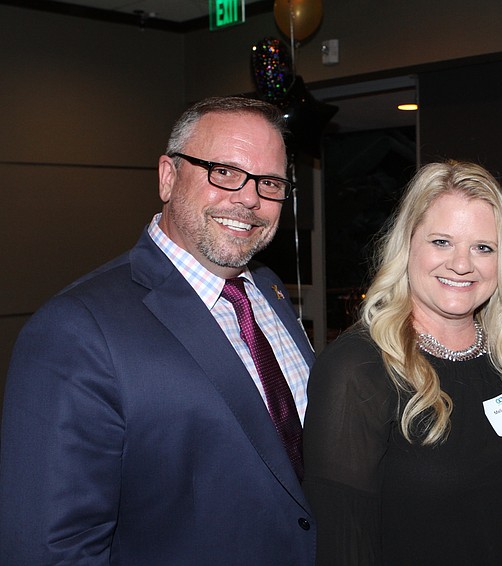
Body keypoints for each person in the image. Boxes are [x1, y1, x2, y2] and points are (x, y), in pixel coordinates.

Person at [0, 96, 316, 564]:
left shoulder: (267, 289)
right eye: (224, 171)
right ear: (168, 177)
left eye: (269, 182)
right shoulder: (76, 330)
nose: (249, 198)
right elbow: (50, 549)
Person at [302, 160, 502, 565]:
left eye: (483, 247)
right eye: (441, 242)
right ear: (408, 245)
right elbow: (343, 544)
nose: (461, 264)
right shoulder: (358, 370)